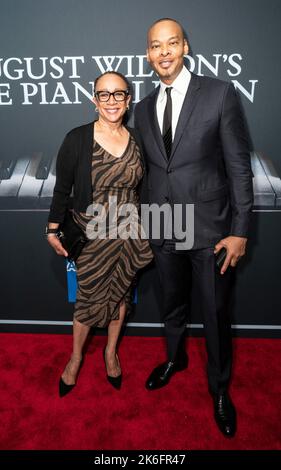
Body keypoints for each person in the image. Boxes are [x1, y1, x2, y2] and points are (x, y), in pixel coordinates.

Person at [134, 18, 253, 437]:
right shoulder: (143, 108)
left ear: (185, 47)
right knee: (171, 304)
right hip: (165, 227)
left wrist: (239, 230)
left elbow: (239, 167)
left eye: (171, 43)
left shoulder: (219, 93)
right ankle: (175, 358)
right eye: (155, 46)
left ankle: (219, 389)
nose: (163, 52)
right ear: (148, 54)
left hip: (211, 229)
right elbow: (152, 171)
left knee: (215, 314)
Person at [46, 71, 153, 397]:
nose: (111, 101)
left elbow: (144, 189)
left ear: (128, 99)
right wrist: (51, 230)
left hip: (128, 232)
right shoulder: (77, 138)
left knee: (121, 296)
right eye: (103, 94)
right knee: (88, 300)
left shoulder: (138, 139)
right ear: (94, 100)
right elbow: (62, 189)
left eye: (118, 94)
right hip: (91, 234)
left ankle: (110, 352)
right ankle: (76, 357)